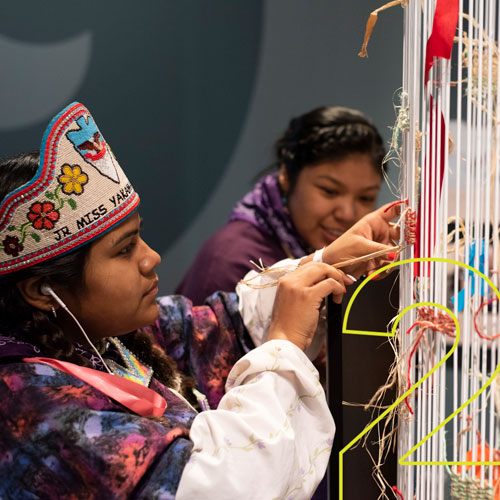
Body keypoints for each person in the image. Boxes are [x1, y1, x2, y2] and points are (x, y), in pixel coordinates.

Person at [0, 102, 399, 499]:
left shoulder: (110, 340)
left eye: (140, 237)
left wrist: (326, 261)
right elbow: (224, 485)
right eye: (124, 250)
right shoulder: (33, 407)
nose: (151, 258)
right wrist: (284, 344)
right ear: (39, 291)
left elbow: (222, 324)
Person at [176, 105, 387, 304]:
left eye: (365, 198)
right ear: (286, 175)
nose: (348, 214)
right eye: (329, 191)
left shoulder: (360, 265)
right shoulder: (233, 262)